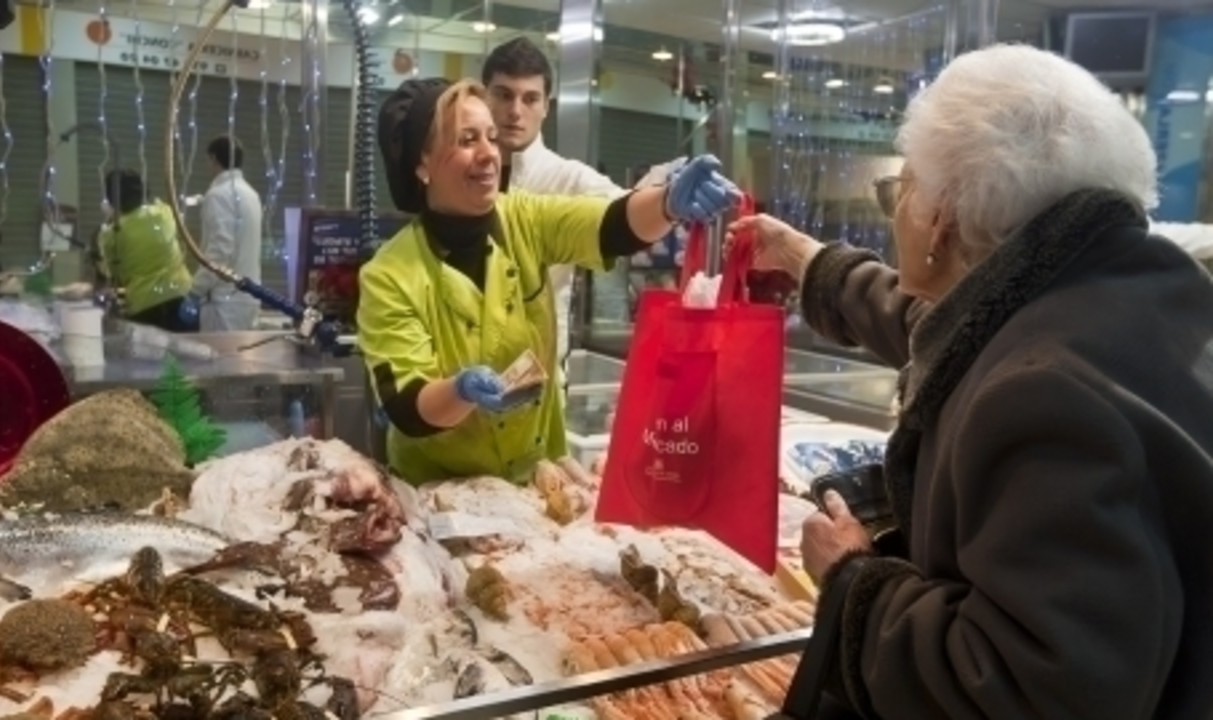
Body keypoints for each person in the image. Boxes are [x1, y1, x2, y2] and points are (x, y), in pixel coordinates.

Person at [731, 44, 1213, 719]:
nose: (896, 208)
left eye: (901, 187)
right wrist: (805, 259)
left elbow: (1030, 690)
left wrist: (854, 580)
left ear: (942, 216)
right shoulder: (1119, 296)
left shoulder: (1049, 401)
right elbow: (948, 329)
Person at [361, 77, 738, 486]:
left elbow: (608, 225)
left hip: (531, 482)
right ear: (421, 163)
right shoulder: (389, 275)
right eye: (467, 140)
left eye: (491, 136)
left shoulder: (527, 219)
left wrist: (667, 203)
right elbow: (406, 406)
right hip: (435, 497)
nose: (489, 154)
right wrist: (460, 390)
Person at [482, 37, 682, 376]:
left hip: (532, 378)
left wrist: (667, 199)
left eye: (530, 98)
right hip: (456, 373)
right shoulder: (459, 171)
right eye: (503, 95)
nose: (515, 111)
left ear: (546, 106)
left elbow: (624, 214)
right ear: (483, 97)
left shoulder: (567, 180)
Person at [96, 170, 195, 332]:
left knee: (151, 356)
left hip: (145, 305)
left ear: (112, 201)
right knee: (189, 352)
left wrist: (111, 218)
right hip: (182, 295)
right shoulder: (164, 213)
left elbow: (114, 273)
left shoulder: (111, 235)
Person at [192, 135, 263, 331]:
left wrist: (195, 290)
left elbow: (220, 250)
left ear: (214, 158)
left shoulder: (218, 195)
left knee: (220, 360)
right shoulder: (251, 194)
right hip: (248, 297)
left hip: (224, 303)